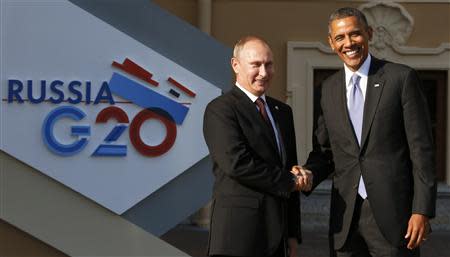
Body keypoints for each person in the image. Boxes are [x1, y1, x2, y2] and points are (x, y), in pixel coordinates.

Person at [296, 7, 437, 257]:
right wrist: (306, 173)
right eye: (340, 38)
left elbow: (422, 151)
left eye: (355, 34)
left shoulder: (401, 79)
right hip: (345, 220)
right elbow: (326, 153)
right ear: (331, 43)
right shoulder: (327, 89)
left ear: (369, 34)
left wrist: (421, 210)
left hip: (395, 220)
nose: (348, 43)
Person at [203, 36, 307, 257]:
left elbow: (289, 166)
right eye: (256, 65)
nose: (263, 72)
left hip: (278, 237)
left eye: (268, 64)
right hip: (238, 237)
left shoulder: (283, 112)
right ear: (235, 65)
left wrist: (292, 234)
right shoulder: (221, 109)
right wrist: (290, 181)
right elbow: (237, 163)